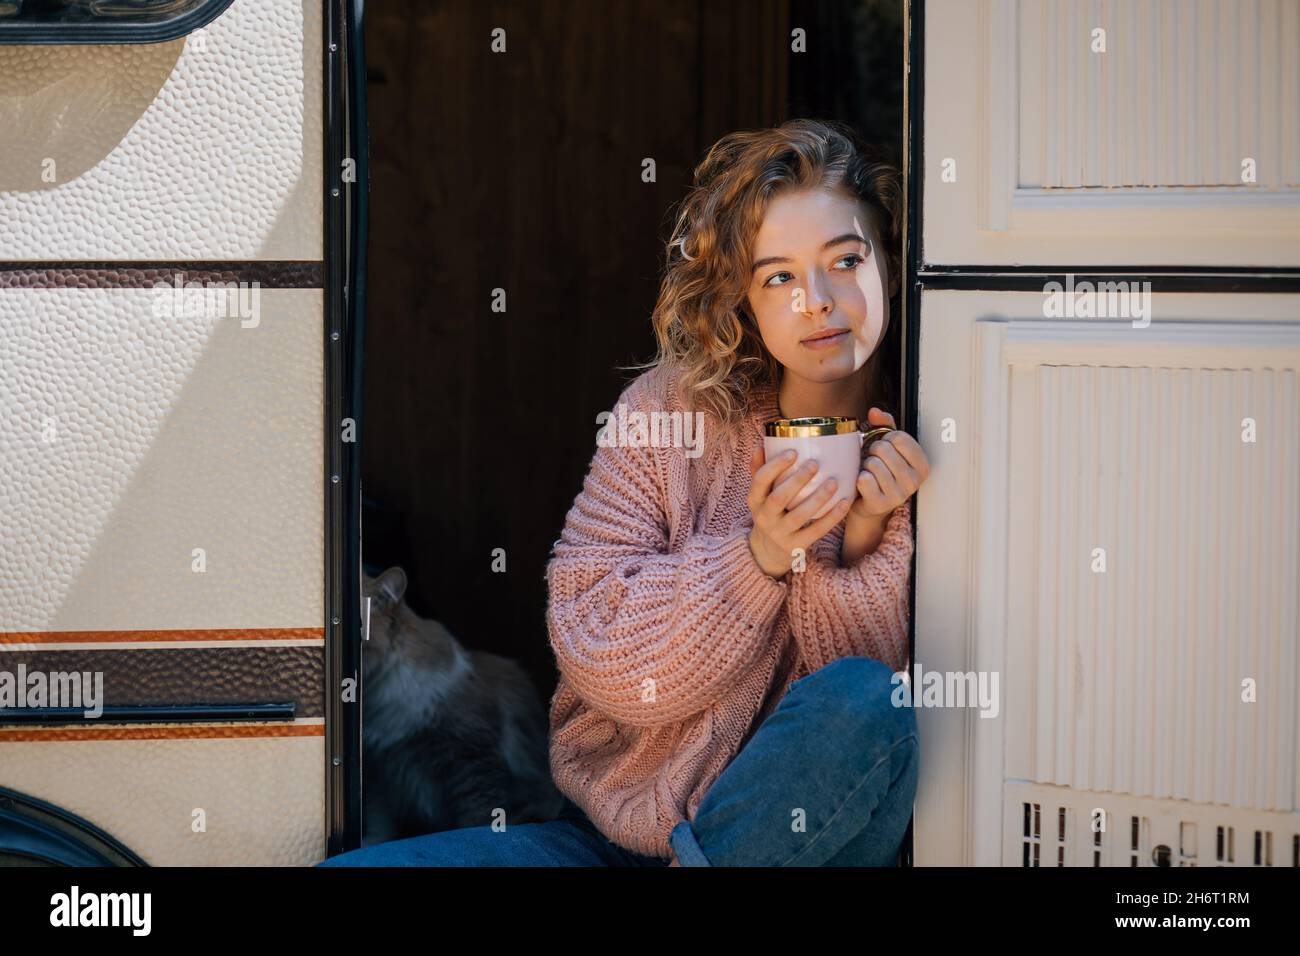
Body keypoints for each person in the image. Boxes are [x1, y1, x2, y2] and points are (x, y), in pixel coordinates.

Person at [318, 118, 931, 867]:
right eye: (777, 275)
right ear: (743, 296)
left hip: (792, 849)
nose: (815, 298)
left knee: (865, 700)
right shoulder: (670, 411)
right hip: (608, 846)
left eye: (845, 259)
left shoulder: (941, 428)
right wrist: (758, 557)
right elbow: (597, 650)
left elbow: (861, 748)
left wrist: (862, 540)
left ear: (892, 266)